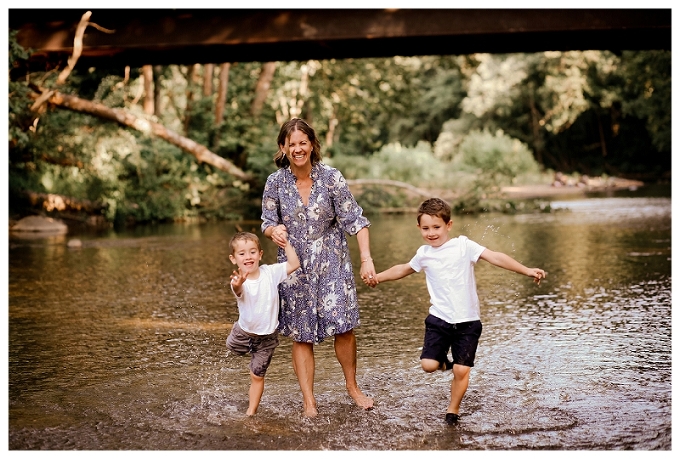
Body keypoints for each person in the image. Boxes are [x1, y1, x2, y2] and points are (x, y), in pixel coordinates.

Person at [370, 198, 546, 425]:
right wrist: (378, 278)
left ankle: (452, 412)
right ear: (419, 228)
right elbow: (403, 269)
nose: (431, 233)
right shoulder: (424, 254)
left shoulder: (464, 246)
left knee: (462, 370)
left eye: (436, 227)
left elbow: (495, 257)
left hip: (468, 322)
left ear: (448, 225)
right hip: (439, 319)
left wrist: (527, 270)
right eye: (426, 228)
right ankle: (442, 361)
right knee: (428, 366)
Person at [261, 117, 376, 417]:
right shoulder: (275, 182)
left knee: (344, 327)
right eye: (292, 144)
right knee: (301, 334)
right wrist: (273, 232)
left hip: (332, 263)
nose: (298, 148)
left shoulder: (331, 178)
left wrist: (366, 259)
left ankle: (352, 387)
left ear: (312, 144)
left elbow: (357, 221)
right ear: (283, 147)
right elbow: (267, 223)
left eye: (303, 142)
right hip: (294, 266)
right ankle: (309, 402)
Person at [226, 231, 300, 416]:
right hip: (243, 334)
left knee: (257, 375)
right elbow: (238, 289)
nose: (248, 257)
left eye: (252, 252)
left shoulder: (271, 273)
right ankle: (241, 347)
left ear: (260, 254)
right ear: (233, 259)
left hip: (267, 338)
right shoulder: (238, 282)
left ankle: (250, 413)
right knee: (231, 347)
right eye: (241, 253)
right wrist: (237, 284)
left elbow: (294, 264)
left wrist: (286, 243)